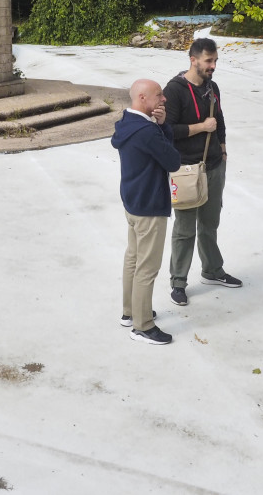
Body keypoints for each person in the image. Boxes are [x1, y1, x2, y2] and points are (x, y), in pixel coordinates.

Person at [163, 38, 242, 308]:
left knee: (210, 224)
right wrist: (201, 127)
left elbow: (219, 121)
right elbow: (168, 130)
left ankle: (212, 271)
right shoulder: (174, 90)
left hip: (214, 166)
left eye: (215, 61)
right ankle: (178, 282)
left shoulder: (212, 87)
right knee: (184, 229)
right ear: (193, 59)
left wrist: (223, 149)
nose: (213, 66)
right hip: (185, 169)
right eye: (209, 61)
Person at [111, 78, 181, 345]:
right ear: (142, 98)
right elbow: (173, 161)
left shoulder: (126, 124)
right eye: (159, 95)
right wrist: (165, 128)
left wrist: (159, 126)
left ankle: (131, 312)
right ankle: (143, 326)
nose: (164, 100)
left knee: (133, 258)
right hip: (150, 205)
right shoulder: (147, 131)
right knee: (147, 267)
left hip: (133, 202)